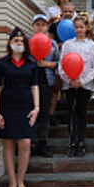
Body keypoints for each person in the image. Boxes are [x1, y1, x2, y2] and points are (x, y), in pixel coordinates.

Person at [0, 28, 39, 187]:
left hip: (26, 105)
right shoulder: (1, 63)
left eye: (21, 41)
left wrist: (36, 107)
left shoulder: (31, 63)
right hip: (8, 106)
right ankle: (12, 182)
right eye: (15, 41)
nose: (18, 44)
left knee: (25, 142)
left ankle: (21, 180)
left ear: (26, 45)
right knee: (9, 142)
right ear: (10, 43)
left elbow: (35, 87)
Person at [58, 15, 94, 157]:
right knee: (71, 114)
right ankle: (72, 142)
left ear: (87, 28)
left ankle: (81, 142)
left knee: (81, 113)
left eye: (82, 27)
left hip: (85, 85)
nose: (79, 29)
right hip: (70, 84)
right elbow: (62, 65)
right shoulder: (67, 45)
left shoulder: (92, 45)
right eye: (77, 27)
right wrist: (69, 80)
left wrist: (83, 81)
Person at [31, 14, 59, 158]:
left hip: (46, 82)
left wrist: (46, 64)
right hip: (30, 83)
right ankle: (31, 144)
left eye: (43, 24)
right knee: (31, 113)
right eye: (37, 24)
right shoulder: (27, 43)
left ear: (47, 27)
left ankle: (43, 144)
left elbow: (59, 64)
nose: (40, 27)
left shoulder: (53, 44)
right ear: (33, 27)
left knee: (44, 114)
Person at [48, 2, 77, 127]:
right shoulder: (55, 25)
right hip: (58, 58)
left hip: (73, 60)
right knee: (56, 88)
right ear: (61, 12)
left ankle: (71, 114)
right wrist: (57, 45)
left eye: (71, 11)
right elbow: (49, 41)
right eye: (66, 11)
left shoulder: (77, 25)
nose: (68, 14)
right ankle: (51, 114)